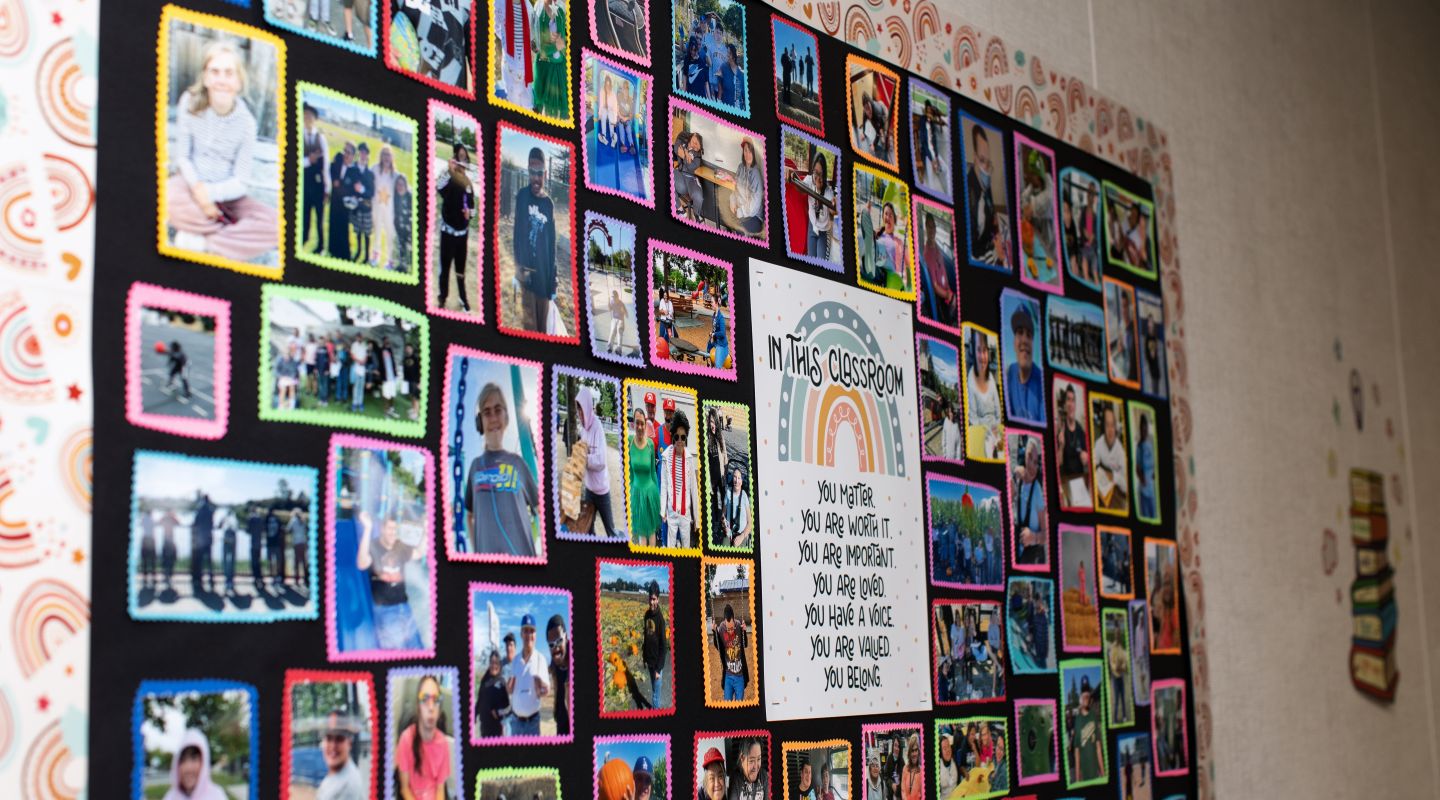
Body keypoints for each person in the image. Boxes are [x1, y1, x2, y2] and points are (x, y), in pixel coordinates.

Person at [165, 41, 278, 262]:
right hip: (191, 185)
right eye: (215, 72)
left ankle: (207, 241)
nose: (221, 80)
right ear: (206, 78)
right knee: (168, 193)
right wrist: (199, 192)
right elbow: (183, 158)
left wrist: (211, 195)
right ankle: (224, 236)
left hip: (226, 196)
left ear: (238, 81)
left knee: (276, 224)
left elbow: (241, 181)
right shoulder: (189, 102)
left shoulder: (246, 123)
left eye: (229, 73)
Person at [463, 382, 541, 557]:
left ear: (506, 417)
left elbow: (540, 508)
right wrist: (477, 553)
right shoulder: (475, 467)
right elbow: (469, 515)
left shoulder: (518, 463)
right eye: (487, 412)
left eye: (498, 410)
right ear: (480, 422)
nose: (493, 418)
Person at [357, 502, 425, 650]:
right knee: (396, 647)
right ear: (382, 528)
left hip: (405, 607)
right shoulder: (374, 546)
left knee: (417, 649)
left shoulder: (400, 547)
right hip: (385, 609)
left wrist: (426, 529)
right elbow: (362, 564)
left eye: (395, 529)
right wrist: (368, 529)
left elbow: (419, 552)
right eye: (389, 528)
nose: (392, 533)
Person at [513, 147, 559, 333]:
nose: (536, 178)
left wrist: (553, 280)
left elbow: (552, 246)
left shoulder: (548, 204)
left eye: (539, 173)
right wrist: (517, 268)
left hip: (543, 279)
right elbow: (517, 235)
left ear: (545, 174)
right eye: (533, 172)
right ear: (528, 170)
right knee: (529, 328)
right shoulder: (522, 197)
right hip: (526, 277)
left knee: (543, 330)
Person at [396, 674, 453, 800]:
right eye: (425, 698)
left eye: (436, 699)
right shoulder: (406, 740)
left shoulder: (443, 744)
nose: (431, 707)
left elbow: (440, 790)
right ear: (418, 706)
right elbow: (404, 789)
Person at [574, 386, 618, 537]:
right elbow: (581, 454)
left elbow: (601, 461)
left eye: (581, 409)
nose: (580, 413)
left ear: (587, 408)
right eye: (577, 409)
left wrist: (583, 458)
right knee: (587, 529)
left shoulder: (597, 427)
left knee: (610, 530)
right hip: (589, 490)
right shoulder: (582, 430)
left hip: (601, 491)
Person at [659, 410, 697, 549]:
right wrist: (663, 510)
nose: (680, 441)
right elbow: (664, 486)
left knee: (686, 546)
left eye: (683, 437)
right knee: (670, 546)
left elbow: (694, 490)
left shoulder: (689, 459)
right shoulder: (666, 457)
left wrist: (697, 520)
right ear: (672, 437)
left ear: (686, 437)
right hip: (671, 511)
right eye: (677, 437)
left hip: (685, 514)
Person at [507, 614, 550, 735]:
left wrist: (542, 688)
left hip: (533, 724)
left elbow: (547, 690)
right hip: (515, 723)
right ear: (521, 634)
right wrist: (508, 688)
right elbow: (510, 689)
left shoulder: (541, 659)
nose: (529, 635)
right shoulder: (515, 661)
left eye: (532, 631)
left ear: (535, 635)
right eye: (525, 631)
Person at [965, 124, 1002, 265]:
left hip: (990, 249)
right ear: (974, 158)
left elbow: (991, 218)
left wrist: (995, 228)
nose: (986, 169)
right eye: (981, 160)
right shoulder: (966, 194)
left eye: (988, 163)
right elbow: (970, 255)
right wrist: (995, 254)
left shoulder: (986, 186)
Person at [1004, 305, 1045, 421]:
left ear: (1033, 342)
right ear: (1014, 342)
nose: (1024, 340)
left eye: (1029, 334)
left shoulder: (1042, 385)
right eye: (1020, 332)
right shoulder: (1011, 372)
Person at [161, 729, 227, 800]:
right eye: (182, 760)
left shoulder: (217, 796)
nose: (188, 768)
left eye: (194, 758)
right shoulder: (170, 797)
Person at [1011, 439, 1048, 565]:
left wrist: (1034, 537)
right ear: (1024, 456)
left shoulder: (1037, 491)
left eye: (1035, 462)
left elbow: (1046, 535)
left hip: (1032, 558)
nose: (1032, 465)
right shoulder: (1019, 480)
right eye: (1029, 457)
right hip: (1018, 553)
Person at [966, 332, 1002, 458]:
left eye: (985, 350)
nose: (983, 356)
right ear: (973, 352)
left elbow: (998, 412)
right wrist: (988, 430)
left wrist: (996, 431)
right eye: (979, 350)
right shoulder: (970, 379)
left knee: (1001, 458)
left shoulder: (991, 377)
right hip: (982, 436)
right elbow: (973, 419)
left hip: (996, 434)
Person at [628, 408, 661, 547]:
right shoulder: (629, 442)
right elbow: (629, 471)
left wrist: (658, 497)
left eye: (642, 423)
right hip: (636, 494)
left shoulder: (650, 444)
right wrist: (629, 493)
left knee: (651, 532)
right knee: (641, 533)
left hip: (650, 493)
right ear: (633, 424)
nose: (640, 427)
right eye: (637, 423)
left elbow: (653, 472)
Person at [1055, 385, 1090, 506]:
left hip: (1080, 483)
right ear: (1065, 404)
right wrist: (1061, 446)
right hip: (1066, 482)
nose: (1070, 404)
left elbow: (1087, 461)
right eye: (1068, 400)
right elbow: (1059, 463)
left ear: (1075, 405)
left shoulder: (1081, 431)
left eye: (1073, 400)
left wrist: (1086, 458)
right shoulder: (1061, 430)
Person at [918, 213, 956, 325]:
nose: (932, 229)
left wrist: (949, 289)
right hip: (942, 299)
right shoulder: (927, 254)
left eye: (933, 226)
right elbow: (934, 287)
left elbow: (943, 270)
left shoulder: (937, 247)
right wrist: (950, 296)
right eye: (929, 226)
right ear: (925, 228)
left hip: (947, 292)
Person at [318, 711, 365, 800]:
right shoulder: (337, 774)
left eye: (339, 739)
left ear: (349, 744)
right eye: (329, 738)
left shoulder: (348, 784)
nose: (333, 746)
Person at [302, 105, 328, 253]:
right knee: (305, 215)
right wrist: (308, 160)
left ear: (315, 119)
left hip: (318, 185)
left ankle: (321, 246)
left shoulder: (321, 138)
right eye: (305, 115)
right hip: (305, 184)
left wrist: (327, 188)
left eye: (310, 116)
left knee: (319, 217)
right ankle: (304, 239)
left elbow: (325, 165)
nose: (308, 118)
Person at [1093, 404, 1128, 511]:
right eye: (1107, 425)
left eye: (1112, 425)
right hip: (1103, 494)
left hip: (1118, 498)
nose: (1110, 430)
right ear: (1103, 427)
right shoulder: (1099, 443)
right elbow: (1094, 462)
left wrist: (1114, 476)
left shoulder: (1120, 452)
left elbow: (1126, 486)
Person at [803, 151, 836, 261]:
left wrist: (834, 207)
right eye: (816, 173)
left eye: (821, 174)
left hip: (824, 231)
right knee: (811, 259)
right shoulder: (809, 180)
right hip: (812, 226)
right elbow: (801, 189)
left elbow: (833, 211)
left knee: (821, 261)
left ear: (825, 174)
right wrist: (793, 178)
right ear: (813, 170)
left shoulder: (828, 190)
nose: (818, 177)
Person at [712, 604, 749, 702]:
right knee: (727, 703)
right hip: (728, 675)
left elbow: (745, 644)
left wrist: (744, 631)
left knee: (739, 703)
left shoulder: (739, 625)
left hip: (740, 675)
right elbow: (718, 646)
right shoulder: (721, 628)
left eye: (732, 628)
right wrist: (714, 632)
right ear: (724, 621)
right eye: (728, 629)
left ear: (734, 620)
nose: (731, 631)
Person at [499, 0, 533, 105]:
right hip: (510, 62)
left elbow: (532, 27)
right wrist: (507, 40)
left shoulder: (527, 4)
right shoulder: (499, 3)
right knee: (512, 102)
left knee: (527, 104)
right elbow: (495, 26)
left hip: (525, 64)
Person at [642, 579, 670, 706]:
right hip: (650, 662)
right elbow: (646, 637)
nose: (652, 602)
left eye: (654, 599)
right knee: (653, 688)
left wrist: (658, 669)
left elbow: (664, 647)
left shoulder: (660, 620)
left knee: (655, 697)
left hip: (657, 664)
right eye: (650, 598)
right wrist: (644, 657)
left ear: (658, 599)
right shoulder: (647, 615)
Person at [369, 146, 397, 269]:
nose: (386, 157)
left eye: (388, 155)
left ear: (392, 158)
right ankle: (376, 255)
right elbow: (366, 176)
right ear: (381, 156)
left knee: (390, 233)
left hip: (389, 209)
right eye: (384, 154)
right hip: (376, 206)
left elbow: (404, 186)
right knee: (377, 232)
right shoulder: (375, 169)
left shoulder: (395, 174)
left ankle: (391, 260)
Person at [1071, 677, 1103, 783]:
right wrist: (1077, 777)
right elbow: (1076, 752)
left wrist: (1103, 772)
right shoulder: (1077, 720)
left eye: (1087, 693)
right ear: (1080, 697)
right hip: (1084, 776)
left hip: (1096, 774)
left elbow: (1098, 747)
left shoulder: (1094, 716)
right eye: (1083, 693)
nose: (1086, 696)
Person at [730, 138, 764, 235]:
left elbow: (754, 205)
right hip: (741, 210)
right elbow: (735, 189)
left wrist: (739, 212)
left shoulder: (755, 173)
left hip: (754, 216)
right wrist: (732, 202)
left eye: (750, 151)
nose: (747, 154)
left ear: (754, 153)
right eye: (745, 150)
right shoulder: (741, 167)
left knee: (738, 228)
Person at [348, 143, 375, 265]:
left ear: (367, 155)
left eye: (365, 153)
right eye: (361, 152)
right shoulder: (353, 169)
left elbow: (371, 192)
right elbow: (349, 184)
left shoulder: (370, 173)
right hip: (356, 207)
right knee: (358, 231)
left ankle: (367, 256)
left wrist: (362, 190)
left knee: (366, 234)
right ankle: (358, 251)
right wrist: (353, 192)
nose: (363, 155)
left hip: (366, 207)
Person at [329, 143, 355, 260]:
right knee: (333, 225)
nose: (346, 154)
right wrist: (334, 180)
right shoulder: (338, 161)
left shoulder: (354, 170)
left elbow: (353, 188)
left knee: (343, 229)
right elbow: (330, 168)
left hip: (345, 204)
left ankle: (344, 255)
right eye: (345, 151)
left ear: (353, 156)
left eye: (349, 152)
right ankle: (332, 250)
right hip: (334, 201)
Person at [476, 649, 510, 738]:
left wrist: (498, 712)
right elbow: (480, 699)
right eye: (492, 662)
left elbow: (508, 707)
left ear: (499, 665)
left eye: (496, 663)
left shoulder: (502, 682)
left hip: (497, 729)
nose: (494, 665)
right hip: (483, 727)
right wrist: (474, 715)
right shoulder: (485, 679)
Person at [546, 613, 571, 734]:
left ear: (566, 637)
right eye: (551, 644)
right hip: (561, 722)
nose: (555, 648)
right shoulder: (554, 663)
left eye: (559, 641)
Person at [672, 131, 705, 220]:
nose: (694, 145)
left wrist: (684, 155)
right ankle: (680, 209)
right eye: (694, 141)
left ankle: (696, 216)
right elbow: (676, 148)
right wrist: (685, 155)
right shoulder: (683, 142)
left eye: (697, 145)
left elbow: (691, 167)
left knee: (698, 197)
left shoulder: (697, 156)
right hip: (680, 177)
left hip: (690, 180)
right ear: (692, 136)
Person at [189, 492, 215, 593]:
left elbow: (195, 523)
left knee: (199, 561)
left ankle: (198, 580)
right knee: (208, 561)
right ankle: (211, 579)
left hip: (200, 539)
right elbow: (212, 524)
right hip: (208, 538)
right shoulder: (210, 511)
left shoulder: (200, 510)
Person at [720, 467, 751, 548]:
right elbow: (723, 514)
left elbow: (750, 523)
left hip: (741, 534)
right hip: (729, 532)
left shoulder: (744, 496)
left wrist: (742, 537)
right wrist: (724, 526)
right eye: (734, 477)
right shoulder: (728, 493)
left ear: (741, 481)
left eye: (739, 478)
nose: (736, 480)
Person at [1135, 413, 1156, 519]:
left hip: (1153, 489)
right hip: (1144, 491)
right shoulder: (1139, 447)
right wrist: (1142, 478)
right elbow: (1137, 468)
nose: (1144, 430)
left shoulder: (1152, 442)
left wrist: (1154, 473)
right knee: (1146, 518)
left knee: (1154, 516)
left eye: (1146, 427)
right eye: (1142, 428)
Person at [1109, 628, 1131, 725]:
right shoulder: (1113, 647)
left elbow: (1125, 661)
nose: (1117, 635)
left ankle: (1125, 716)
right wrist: (1115, 668)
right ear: (1114, 635)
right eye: (1116, 634)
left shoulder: (1121, 647)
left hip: (1121, 675)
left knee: (1123, 697)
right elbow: (1111, 662)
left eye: (1119, 633)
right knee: (1116, 699)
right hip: (1115, 676)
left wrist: (1122, 667)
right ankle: (1114, 719)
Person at [349, 333, 370, 413]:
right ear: (356, 338)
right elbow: (352, 355)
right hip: (356, 367)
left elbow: (366, 355)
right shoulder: (354, 345)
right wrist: (359, 361)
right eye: (358, 337)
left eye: (360, 337)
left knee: (361, 386)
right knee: (356, 386)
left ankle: (360, 403)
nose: (359, 338)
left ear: (362, 337)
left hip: (363, 368)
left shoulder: (364, 344)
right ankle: (354, 403)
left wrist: (364, 360)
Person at [265, 507, 286, 587]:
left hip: (275, 543)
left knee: (277, 561)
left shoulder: (277, 520)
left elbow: (281, 529)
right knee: (272, 561)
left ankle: (277, 576)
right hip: (270, 543)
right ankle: (273, 577)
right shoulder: (266, 520)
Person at [246, 505, 265, 591]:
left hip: (253, 543)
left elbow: (248, 530)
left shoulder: (251, 519)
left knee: (254, 562)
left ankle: (256, 578)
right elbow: (262, 529)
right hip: (259, 542)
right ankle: (260, 578)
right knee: (258, 561)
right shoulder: (260, 519)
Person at [219, 507, 237, 595]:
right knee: (230, 561)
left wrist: (223, 518)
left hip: (227, 539)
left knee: (227, 561)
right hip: (232, 539)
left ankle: (228, 580)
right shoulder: (234, 518)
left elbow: (219, 525)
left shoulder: (228, 518)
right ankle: (230, 580)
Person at [288, 507, 308, 588]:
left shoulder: (293, 521)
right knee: (303, 561)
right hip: (303, 543)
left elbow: (288, 529)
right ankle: (305, 579)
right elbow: (306, 530)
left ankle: (297, 579)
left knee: (296, 562)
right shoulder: (303, 520)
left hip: (296, 543)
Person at [900, 735, 922, 800]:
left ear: (918, 752)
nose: (914, 754)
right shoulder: (905, 769)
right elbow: (903, 790)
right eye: (912, 751)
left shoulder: (921, 771)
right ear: (909, 753)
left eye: (916, 750)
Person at [708, 302, 730, 369]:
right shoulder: (714, 314)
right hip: (715, 341)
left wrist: (714, 334)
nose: (710, 303)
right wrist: (712, 333)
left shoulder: (721, 318)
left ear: (716, 304)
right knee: (708, 350)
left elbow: (723, 334)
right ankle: (711, 366)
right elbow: (715, 329)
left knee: (718, 366)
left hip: (721, 344)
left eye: (712, 302)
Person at [606, 289, 628, 354]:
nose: (613, 298)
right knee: (612, 331)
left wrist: (623, 311)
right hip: (614, 319)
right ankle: (610, 347)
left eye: (614, 297)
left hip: (621, 320)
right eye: (612, 297)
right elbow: (610, 309)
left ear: (617, 296)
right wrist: (608, 302)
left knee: (619, 332)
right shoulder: (611, 301)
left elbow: (626, 314)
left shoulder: (621, 303)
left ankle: (619, 348)